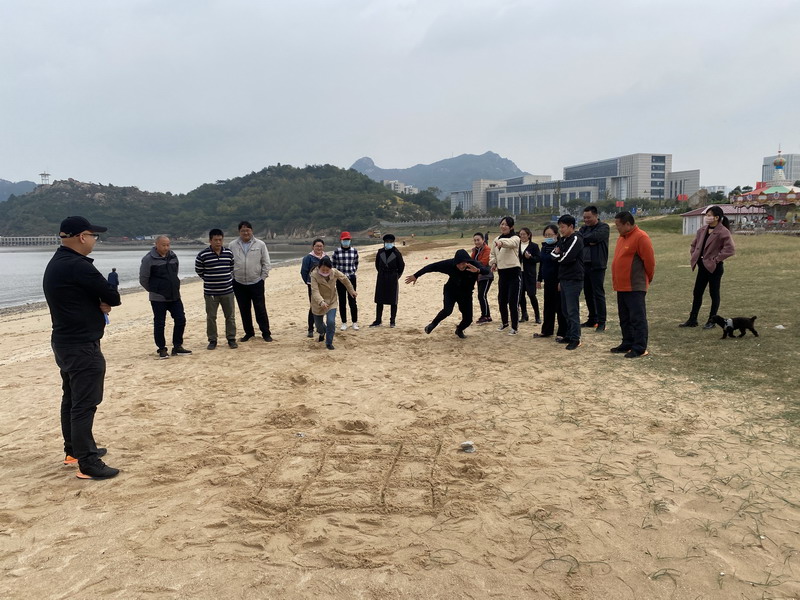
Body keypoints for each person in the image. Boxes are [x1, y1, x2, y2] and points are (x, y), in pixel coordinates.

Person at [43, 216, 121, 480]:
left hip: (64, 341)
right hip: (81, 345)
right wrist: (101, 301)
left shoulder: (57, 262)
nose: (95, 240)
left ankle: (74, 451)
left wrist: (95, 302)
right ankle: (87, 462)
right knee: (84, 403)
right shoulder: (78, 265)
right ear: (82, 237)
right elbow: (113, 296)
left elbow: (75, 298)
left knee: (71, 399)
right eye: (93, 235)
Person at [405, 249, 489, 338]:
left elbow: (487, 271)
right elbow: (432, 267)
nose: (461, 266)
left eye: (463, 263)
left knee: (468, 320)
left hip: (466, 295)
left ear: (467, 262)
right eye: (459, 264)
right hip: (450, 291)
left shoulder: (474, 264)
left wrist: (478, 270)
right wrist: (416, 275)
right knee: (447, 310)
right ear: (455, 262)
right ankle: (433, 324)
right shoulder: (450, 264)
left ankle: (459, 330)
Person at [679, 205, 736, 329]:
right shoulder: (702, 230)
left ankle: (712, 320)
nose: (707, 217)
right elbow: (694, 245)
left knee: (713, 293)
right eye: (706, 215)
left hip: (714, 267)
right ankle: (692, 319)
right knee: (697, 292)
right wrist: (694, 255)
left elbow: (730, 249)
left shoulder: (723, 231)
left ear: (716, 217)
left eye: (709, 215)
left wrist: (716, 259)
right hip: (702, 266)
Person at [611, 211, 656, 358]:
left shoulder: (641, 237)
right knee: (624, 318)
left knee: (637, 318)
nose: (616, 227)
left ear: (627, 224)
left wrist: (647, 279)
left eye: (618, 225)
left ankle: (639, 347)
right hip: (621, 285)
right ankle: (627, 342)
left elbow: (649, 262)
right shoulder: (621, 238)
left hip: (635, 285)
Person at [139, 236, 192, 359]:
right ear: (156, 244)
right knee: (159, 323)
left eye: (168, 245)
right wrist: (154, 289)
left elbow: (175, 272)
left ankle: (177, 346)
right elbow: (143, 279)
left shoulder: (173, 256)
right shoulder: (148, 259)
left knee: (180, 319)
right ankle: (162, 349)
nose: (166, 247)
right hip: (158, 297)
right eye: (163, 245)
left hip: (174, 295)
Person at [229, 221, 273, 343]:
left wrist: (262, 278)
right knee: (244, 310)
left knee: (260, 309)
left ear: (252, 231)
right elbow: (229, 263)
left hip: (256, 282)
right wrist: (233, 277)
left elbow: (266, 262)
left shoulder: (260, 244)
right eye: (243, 231)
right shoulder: (232, 245)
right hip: (239, 283)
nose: (245, 233)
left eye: (247, 230)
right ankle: (249, 333)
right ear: (239, 232)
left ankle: (266, 333)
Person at [196, 228, 238, 350]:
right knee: (211, 317)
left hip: (228, 291)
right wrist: (211, 280)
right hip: (211, 293)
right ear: (210, 241)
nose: (218, 242)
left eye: (220, 240)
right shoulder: (203, 255)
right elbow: (199, 271)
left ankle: (231, 339)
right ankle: (212, 340)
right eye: (215, 240)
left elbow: (231, 268)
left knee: (230, 316)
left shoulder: (228, 253)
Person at [309, 256, 357, 350]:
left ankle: (329, 342)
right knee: (319, 325)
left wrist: (351, 290)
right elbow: (315, 291)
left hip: (331, 301)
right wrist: (321, 302)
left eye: (327, 270)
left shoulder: (334, 272)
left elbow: (345, 279)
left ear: (330, 268)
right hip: (318, 303)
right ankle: (322, 332)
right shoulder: (314, 275)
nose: (325, 272)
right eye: (323, 270)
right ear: (319, 267)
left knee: (331, 322)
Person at [552, 215, 584, 350]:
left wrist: (560, 254)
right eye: (559, 227)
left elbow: (565, 258)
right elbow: (553, 255)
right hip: (564, 278)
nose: (561, 230)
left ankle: (576, 338)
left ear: (571, 226)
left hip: (574, 279)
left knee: (572, 310)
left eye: (563, 227)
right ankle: (569, 335)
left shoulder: (576, 239)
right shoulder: (563, 239)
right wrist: (559, 254)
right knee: (565, 310)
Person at [579, 205, 610, 331]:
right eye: (584, 217)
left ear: (596, 216)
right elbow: (579, 239)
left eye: (589, 217)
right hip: (584, 265)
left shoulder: (604, 227)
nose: (586, 220)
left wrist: (588, 239)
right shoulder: (583, 228)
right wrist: (589, 241)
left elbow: (595, 237)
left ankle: (602, 322)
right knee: (587, 293)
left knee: (598, 294)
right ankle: (592, 319)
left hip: (597, 265)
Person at [489, 216, 521, 335]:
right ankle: (504, 322)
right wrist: (493, 263)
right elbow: (493, 254)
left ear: (511, 227)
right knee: (502, 300)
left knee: (513, 301)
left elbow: (510, 243)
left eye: (506, 224)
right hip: (502, 273)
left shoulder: (515, 238)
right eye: (502, 224)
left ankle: (514, 327)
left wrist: (501, 243)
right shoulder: (496, 239)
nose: (503, 226)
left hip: (513, 272)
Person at [534, 224, 565, 340]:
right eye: (546, 235)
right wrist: (539, 279)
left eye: (550, 235)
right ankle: (546, 331)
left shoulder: (560, 246)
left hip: (557, 280)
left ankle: (562, 332)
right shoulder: (544, 247)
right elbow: (542, 264)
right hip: (547, 281)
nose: (548, 237)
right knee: (548, 306)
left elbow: (562, 265)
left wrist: (561, 280)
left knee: (560, 307)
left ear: (556, 234)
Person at [371, 234, 405, 327]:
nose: (388, 243)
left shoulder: (397, 253)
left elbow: (401, 266)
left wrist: (397, 276)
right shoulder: (380, 252)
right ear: (384, 242)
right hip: (382, 277)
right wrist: (381, 273)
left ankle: (392, 321)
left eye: (390, 242)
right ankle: (378, 320)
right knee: (379, 300)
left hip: (393, 277)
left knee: (393, 300)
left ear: (393, 242)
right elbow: (377, 264)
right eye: (387, 242)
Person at [332, 231, 359, 331]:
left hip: (351, 278)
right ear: (341, 240)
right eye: (344, 240)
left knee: (352, 300)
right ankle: (344, 322)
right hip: (340, 279)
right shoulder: (337, 252)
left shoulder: (354, 251)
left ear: (350, 240)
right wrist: (338, 276)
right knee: (342, 301)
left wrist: (352, 272)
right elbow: (333, 266)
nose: (346, 241)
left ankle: (355, 322)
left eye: (347, 240)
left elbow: (356, 264)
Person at [301, 238, 327, 337]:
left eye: (321, 246)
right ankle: (310, 329)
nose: (319, 248)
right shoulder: (308, 258)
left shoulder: (326, 257)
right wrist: (308, 282)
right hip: (312, 286)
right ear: (313, 247)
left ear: (323, 247)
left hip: (324, 286)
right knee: (313, 306)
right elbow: (303, 271)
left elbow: (329, 270)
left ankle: (320, 326)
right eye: (317, 246)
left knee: (323, 305)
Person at [518, 227, 541, 324]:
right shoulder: (517, 245)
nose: (522, 236)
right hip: (519, 273)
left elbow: (538, 259)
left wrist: (530, 257)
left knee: (531, 295)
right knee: (520, 295)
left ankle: (537, 316)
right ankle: (524, 315)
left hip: (530, 274)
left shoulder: (534, 246)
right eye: (521, 234)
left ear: (529, 235)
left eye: (524, 234)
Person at [471, 232, 493, 324]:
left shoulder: (487, 249)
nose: (476, 242)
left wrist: (473, 264)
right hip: (479, 276)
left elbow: (483, 262)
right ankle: (487, 315)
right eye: (475, 240)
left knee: (482, 295)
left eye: (478, 240)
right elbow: (471, 260)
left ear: (483, 240)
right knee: (482, 295)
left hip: (486, 275)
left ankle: (485, 316)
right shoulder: (475, 250)